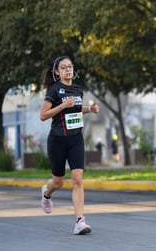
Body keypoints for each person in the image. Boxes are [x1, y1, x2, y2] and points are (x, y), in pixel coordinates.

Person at [39, 56, 100, 235]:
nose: (68, 70)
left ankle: (80, 221)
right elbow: (43, 115)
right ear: (57, 72)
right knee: (58, 182)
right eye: (63, 67)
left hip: (76, 139)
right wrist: (62, 105)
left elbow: (76, 108)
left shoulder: (77, 89)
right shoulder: (54, 90)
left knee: (77, 180)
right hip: (57, 140)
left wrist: (89, 109)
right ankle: (46, 193)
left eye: (70, 67)